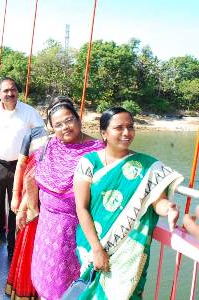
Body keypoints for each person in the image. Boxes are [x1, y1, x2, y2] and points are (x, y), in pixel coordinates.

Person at [74, 107, 183, 299]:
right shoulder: (88, 163)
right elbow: (82, 208)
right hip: (94, 243)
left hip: (129, 250)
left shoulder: (148, 167)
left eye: (130, 127)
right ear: (104, 133)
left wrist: (169, 208)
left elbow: (158, 202)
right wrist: (98, 249)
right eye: (119, 128)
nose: (127, 133)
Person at [30, 98, 104, 300]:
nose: (65, 127)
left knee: (72, 282)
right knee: (46, 277)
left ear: (79, 119)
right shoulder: (49, 147)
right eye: (58, 125)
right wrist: (30, 209)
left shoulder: (98, 151)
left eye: (69, 120)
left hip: (77, 229)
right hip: (47, 226)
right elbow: (31, 175)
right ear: (52, 128)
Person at [0, 77, 44, 265]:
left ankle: (14, 252)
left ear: (17, 92)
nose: (9, 93)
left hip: (20, 167)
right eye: (5, 90)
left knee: (17, 210)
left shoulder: (29, 112)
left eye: (13, 89)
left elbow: (41, 138)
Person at [5, 125, 48, 300]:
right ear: (50, 121)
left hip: (60, 206)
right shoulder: (34, 134)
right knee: (28, 244)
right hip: (31, 201)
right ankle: (26, 290)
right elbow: (22, 166)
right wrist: (16, 196)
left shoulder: (78, 143)